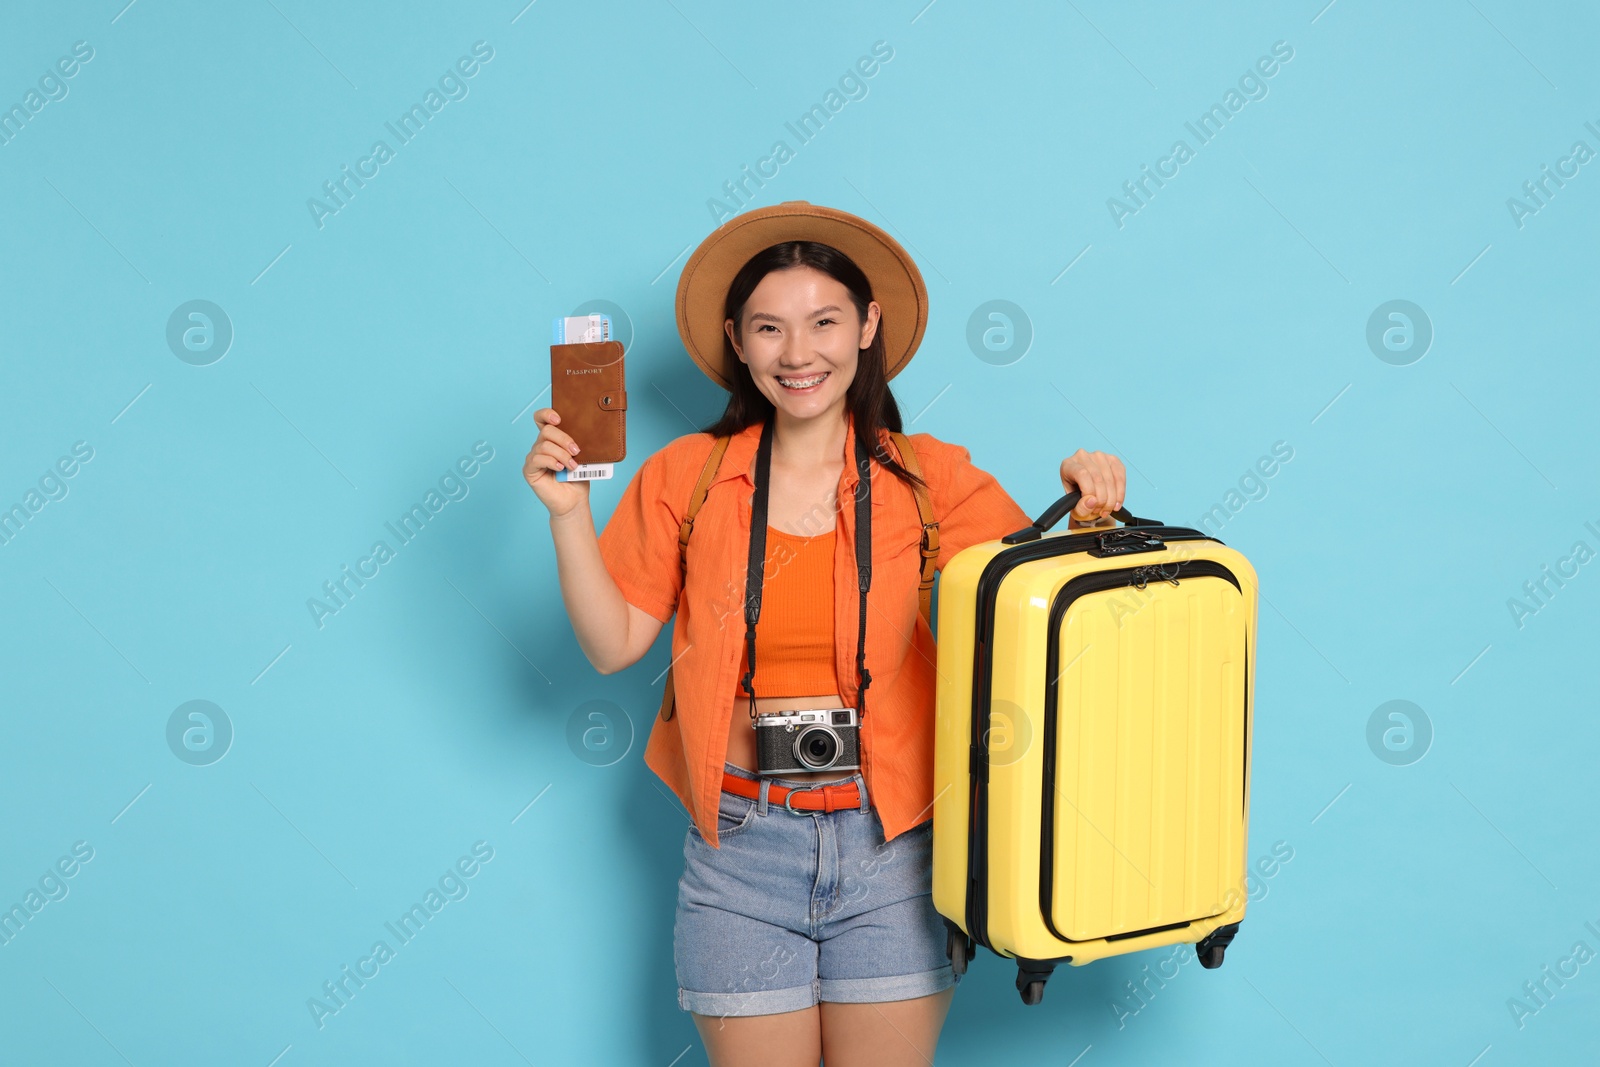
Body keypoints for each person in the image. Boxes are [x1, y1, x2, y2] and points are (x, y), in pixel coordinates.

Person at [524, 202, 1127, 1067]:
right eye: (769, 327)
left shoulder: (931, 481)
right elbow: (614, 643)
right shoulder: (686, 477)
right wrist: (568, 515)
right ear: (737, 339)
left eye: (824, 322)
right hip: (740, 849)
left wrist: (1085, 515)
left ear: (867, 326)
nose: (797, 353)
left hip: (895, 850)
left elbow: (1034, 615)